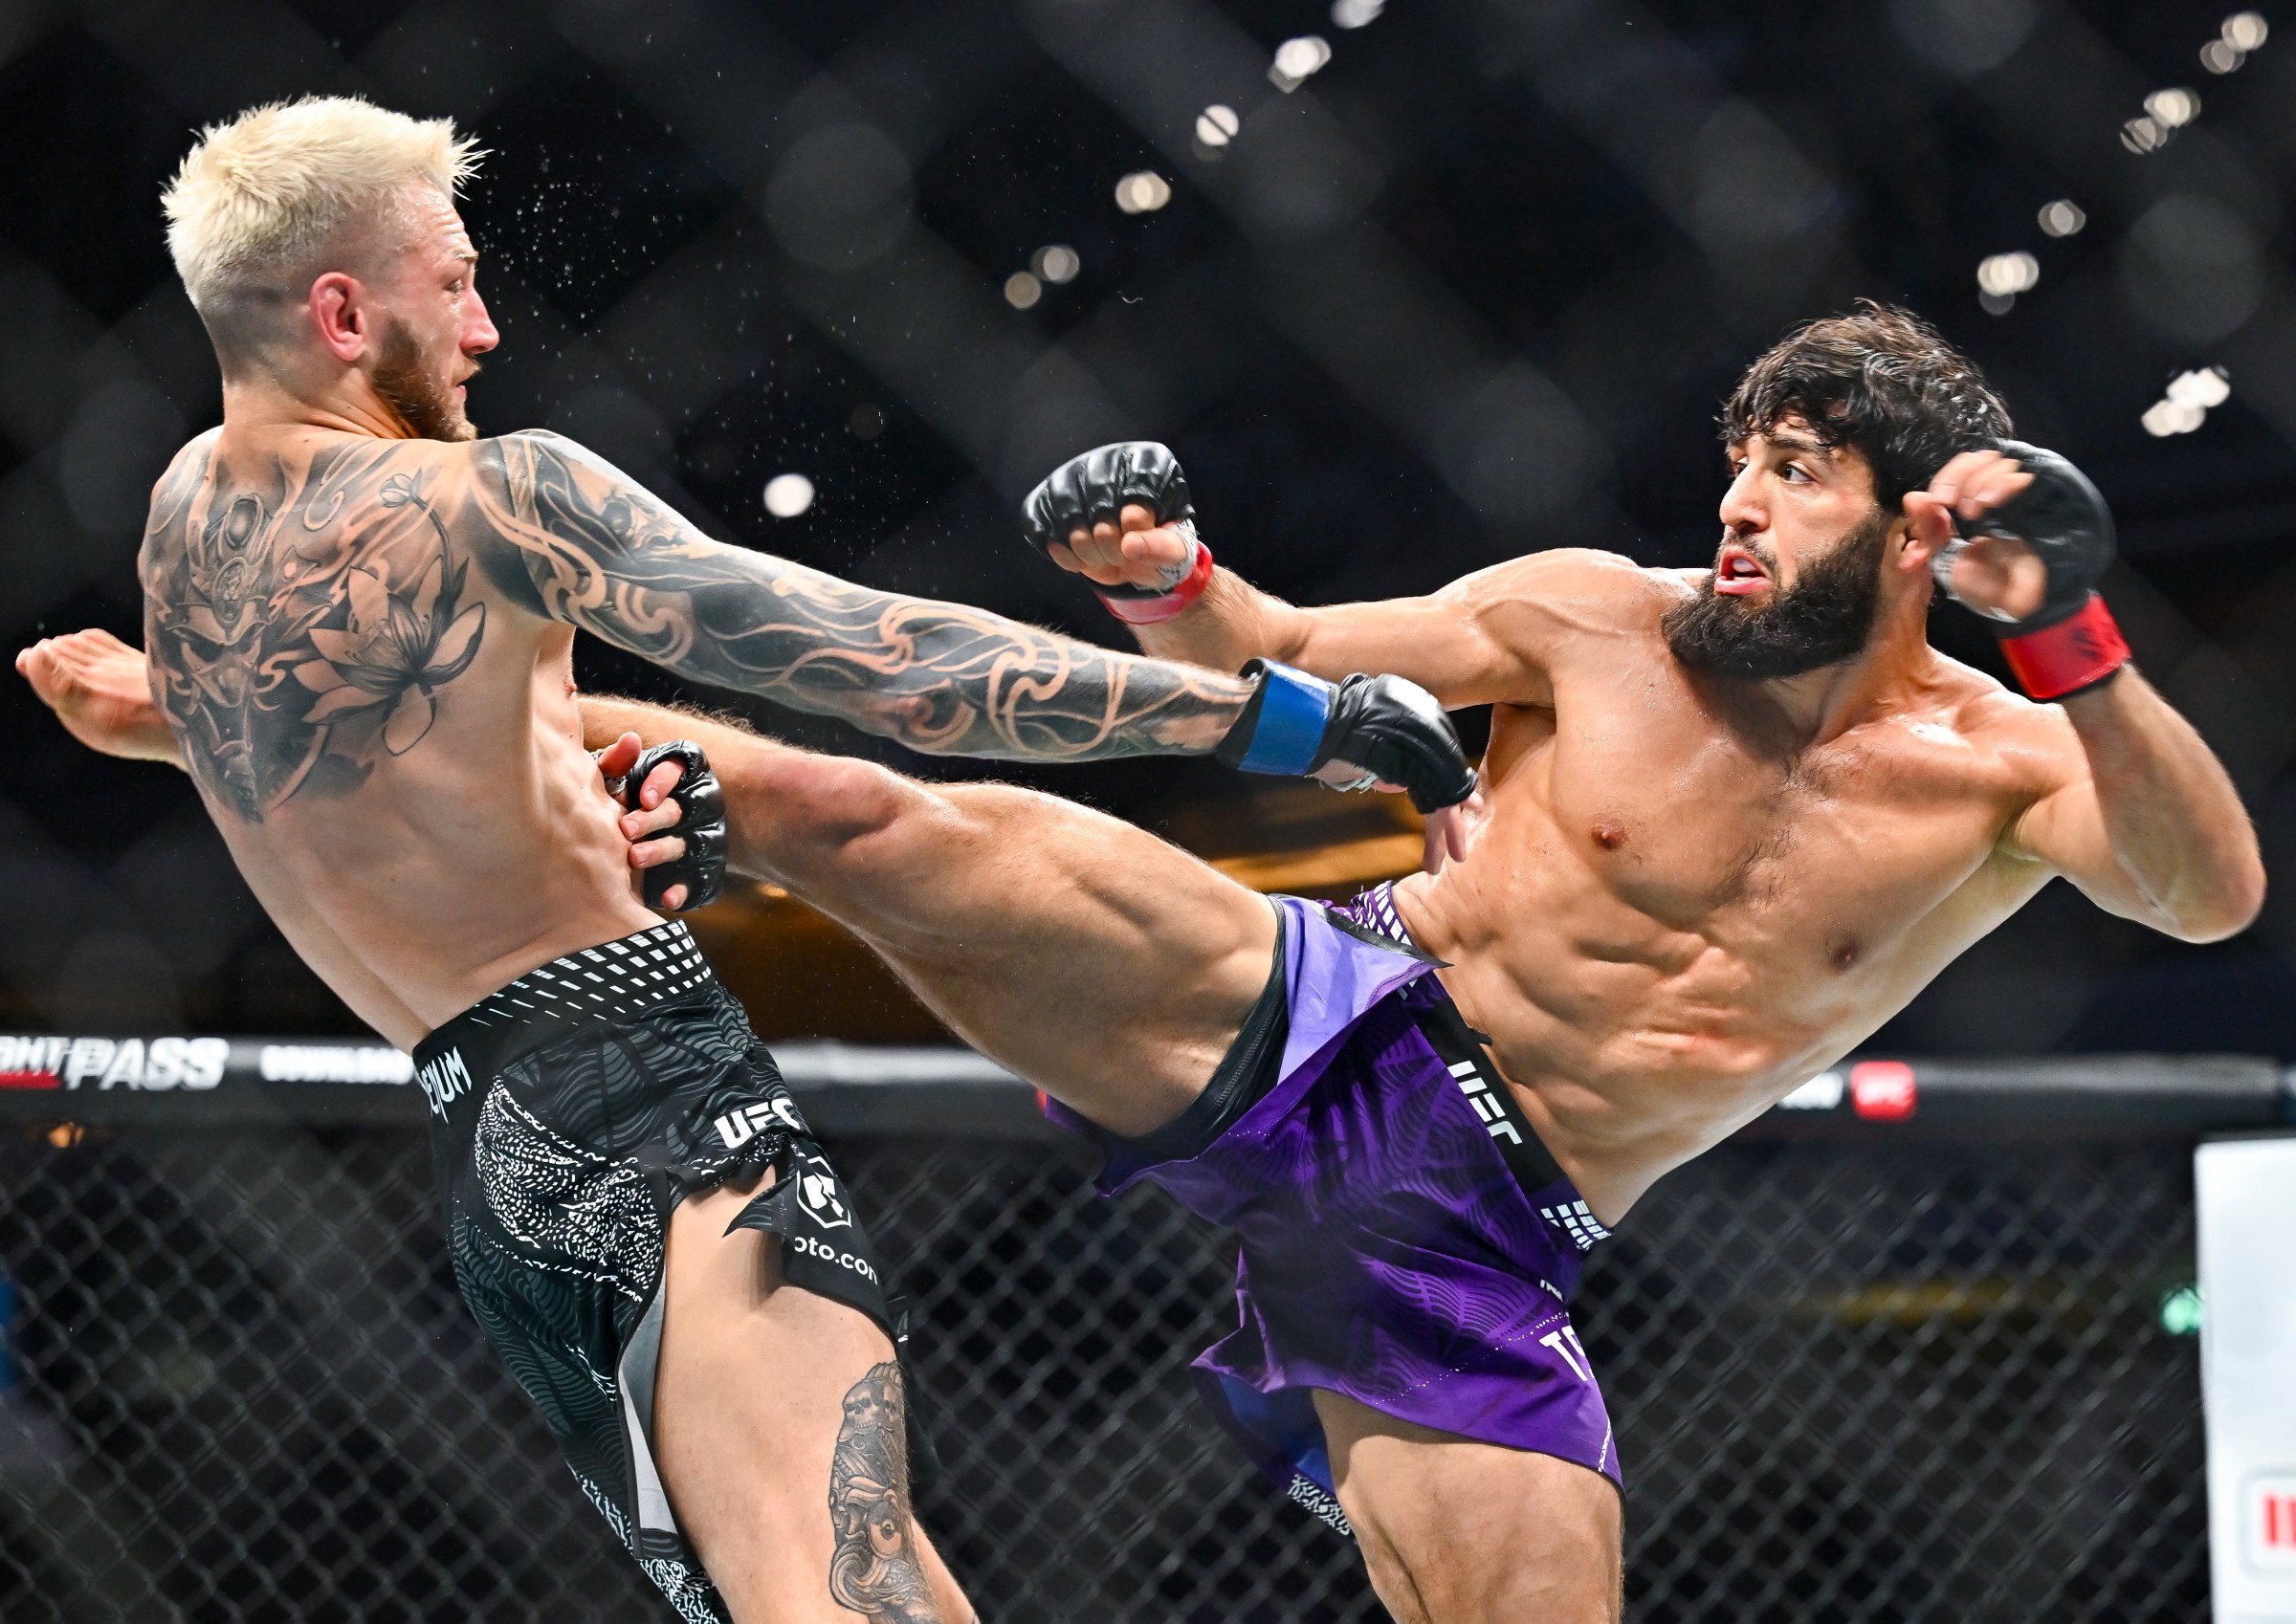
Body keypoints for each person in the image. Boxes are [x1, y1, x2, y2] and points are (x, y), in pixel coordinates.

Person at [560, 304, 2260, 1624]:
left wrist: (2080, 643)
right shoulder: (1597, 615)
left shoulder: (2004, 763)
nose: (1741, 499)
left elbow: (2209, 896)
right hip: (1329, 1006)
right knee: (863, 820)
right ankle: (515, 721)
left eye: (1800, 468)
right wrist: (1172, 581)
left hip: (1486, 1228)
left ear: (1917, 538)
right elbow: (1287, 654)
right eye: (1742, 457)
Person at [13, 95, 1474, 1624]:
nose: (487, 325)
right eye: (451, 281)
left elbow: (355, 745)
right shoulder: (498, 494)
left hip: (494, 1157)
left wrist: (172, 719)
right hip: (649, 1094)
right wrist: (1269, 715)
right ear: (340, 308)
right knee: (841, 1585)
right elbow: (880, 662)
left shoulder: (187, 526)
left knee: (864, 1577)